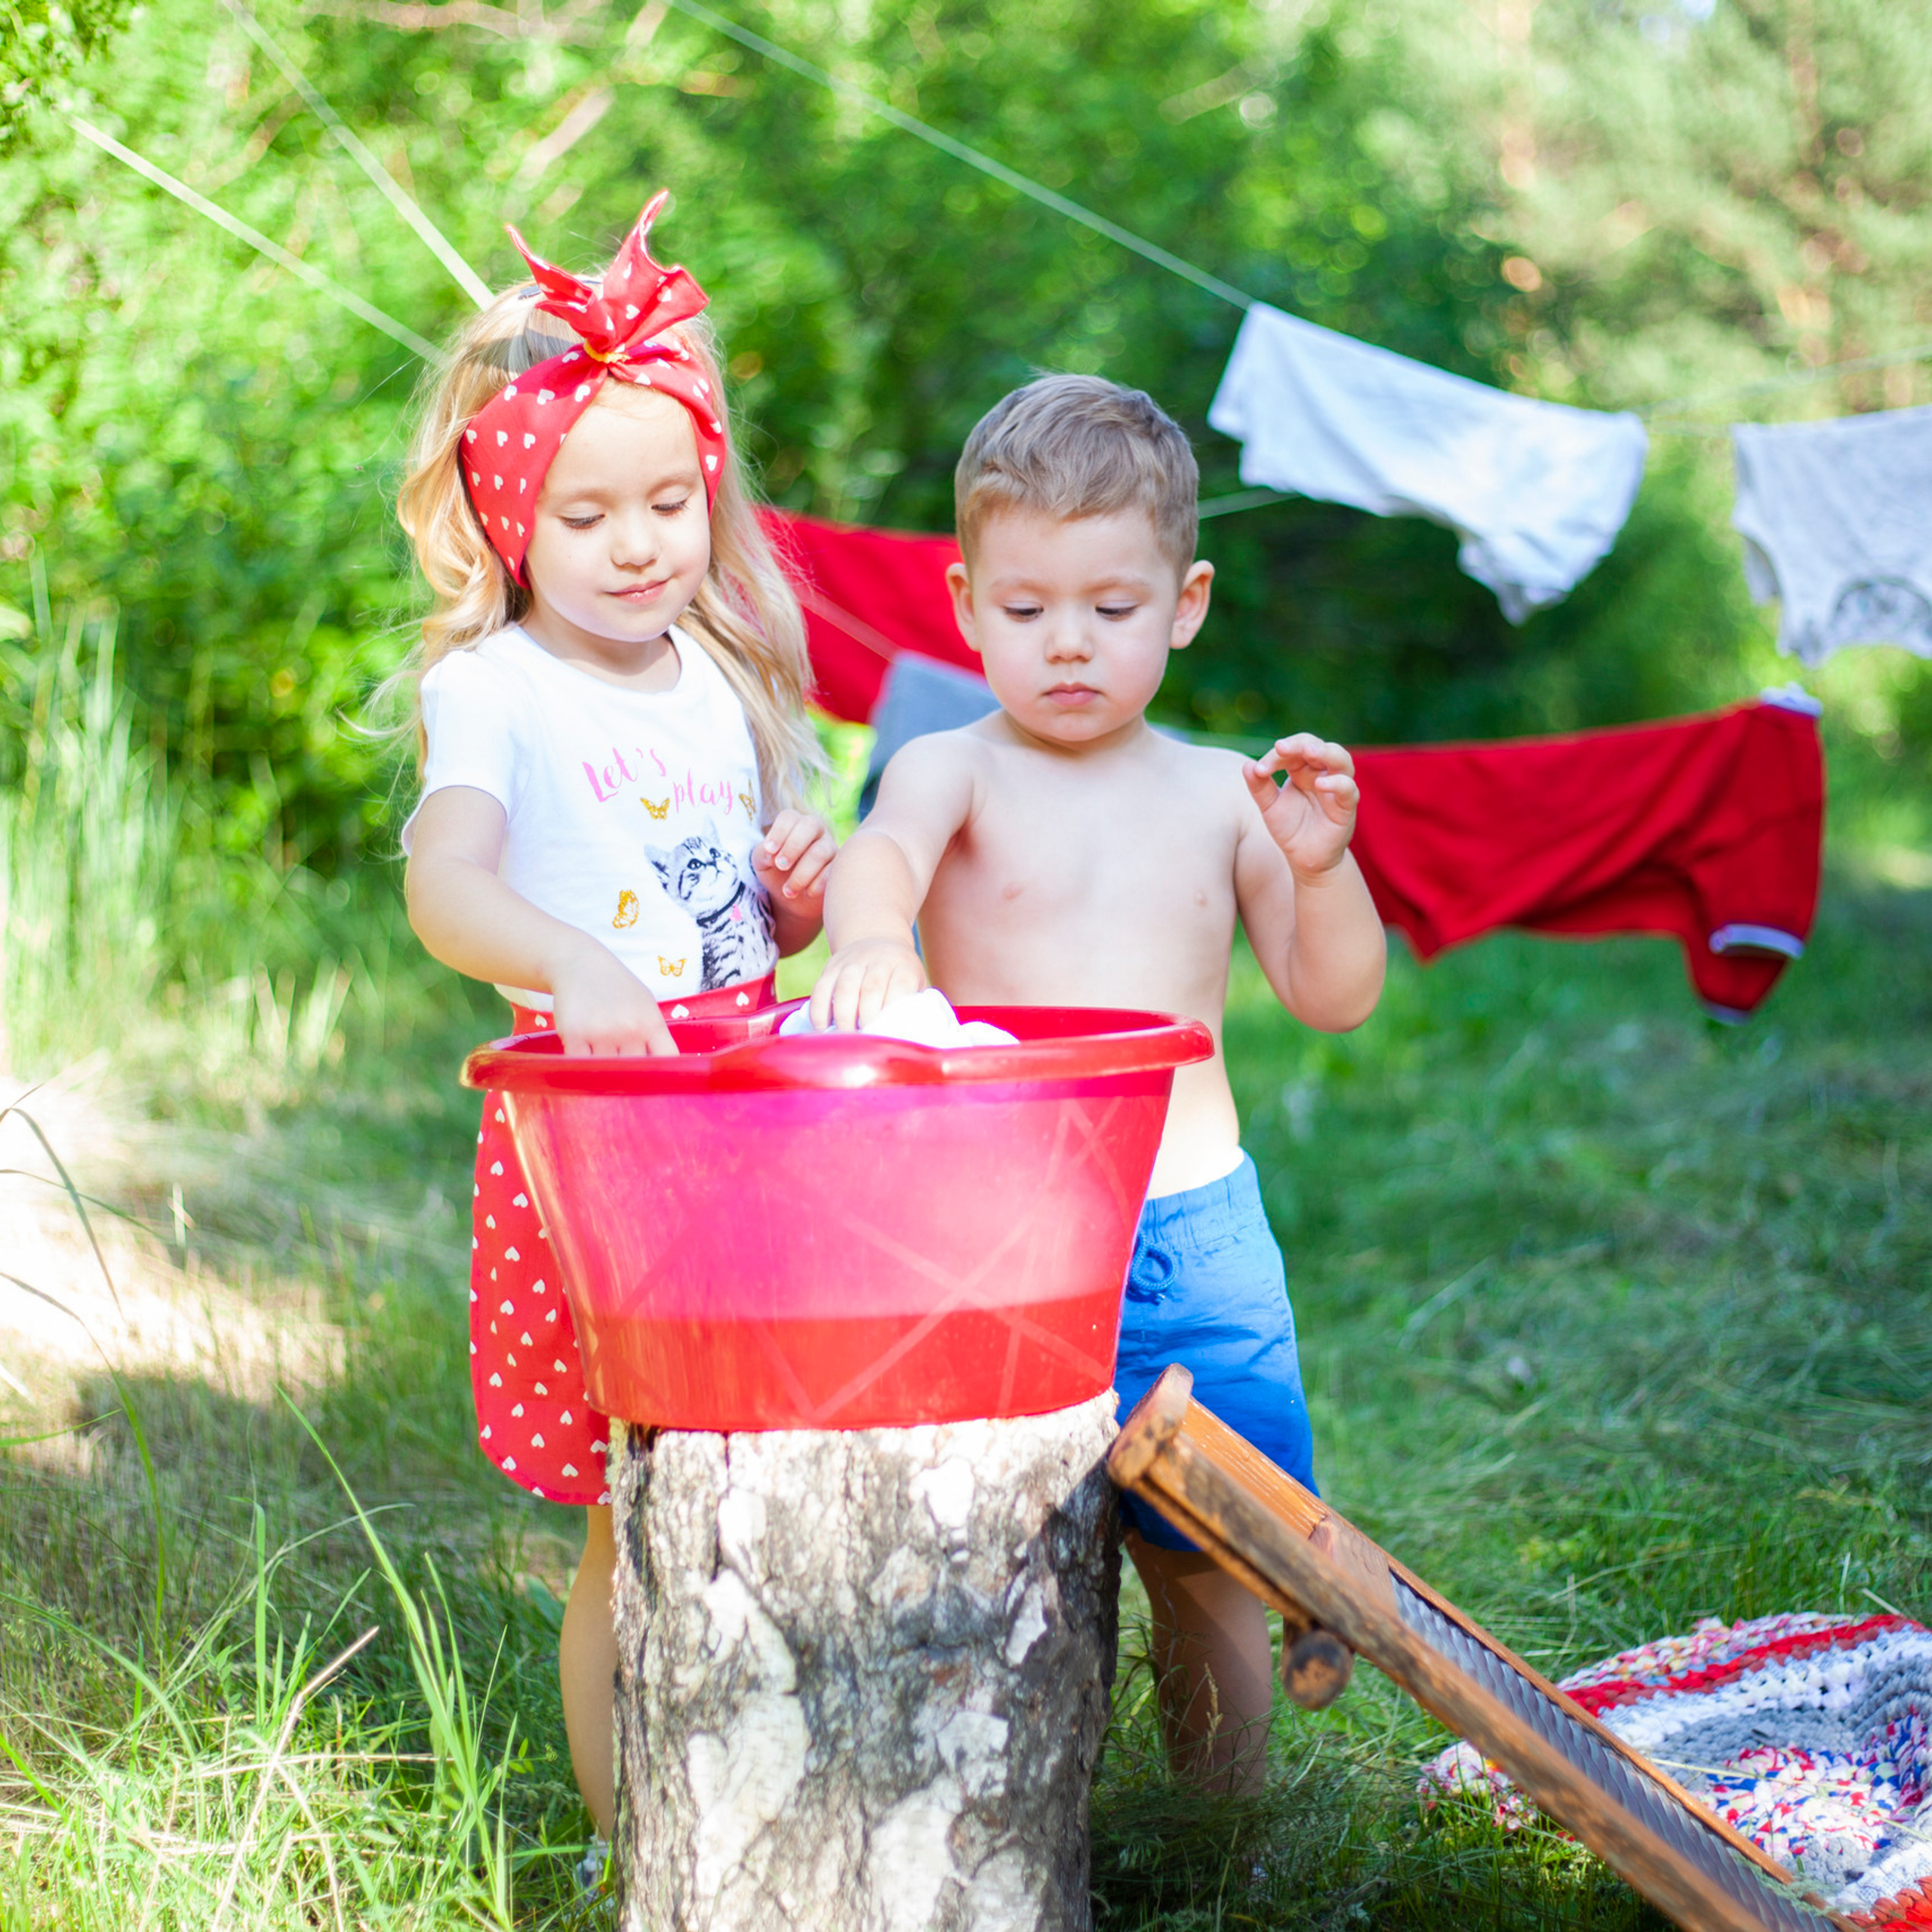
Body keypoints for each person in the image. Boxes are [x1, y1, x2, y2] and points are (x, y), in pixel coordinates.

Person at [813, 374, 1385, 1792]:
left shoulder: (1219, 796)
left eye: (1111, 611)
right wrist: (877, 939)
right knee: (991, 1556)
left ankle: (1219, 1832)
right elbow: (877, 856)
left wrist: (1325, 871)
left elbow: (1335, 993)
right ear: (964, 601)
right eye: (1026, 610)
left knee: (1216, 1559)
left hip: (1189, 1234)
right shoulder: (951, 770)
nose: (1068, 644)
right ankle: (1001, 1815)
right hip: (988, 1239)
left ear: (1184, 603)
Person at [395, 193, 836, 1861]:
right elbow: (448, 887)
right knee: (635, 1514)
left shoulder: (711, 675)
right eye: (587, 513)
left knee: (776, 1490)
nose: (640, 542)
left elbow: (731, 898)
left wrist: (796, 895)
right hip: (608, 1138)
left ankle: (787, 1788)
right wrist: (569, 961)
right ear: (510, 518)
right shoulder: (495, 686)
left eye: (669, 500)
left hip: (749, 1110)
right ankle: (627, 1833)